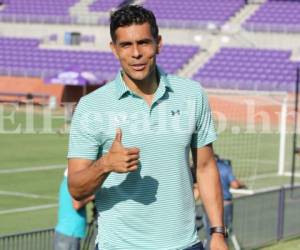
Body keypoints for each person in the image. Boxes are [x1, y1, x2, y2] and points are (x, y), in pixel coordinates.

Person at [67, 5, 228, 250]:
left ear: (158, 43)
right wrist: (106, 164)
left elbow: (205, 167)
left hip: (184, 244)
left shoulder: (192, 94)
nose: (136, 53)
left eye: (143, 42)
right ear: (114, 49)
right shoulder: (91, 106)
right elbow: (76, 189)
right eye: (126, 45)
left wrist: (217, 232)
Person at [197, 155, 246, 249]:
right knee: (225, 232)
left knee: (209, 232)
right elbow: (234, 184)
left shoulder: (204, 170)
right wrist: (242, 184)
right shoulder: (225, 168)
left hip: (208, 207)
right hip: (225, 205)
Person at [54, 169, 94, 250]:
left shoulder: (66, 183)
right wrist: (93, 196)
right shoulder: (72, 185)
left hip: (67, 232)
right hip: (70, 232)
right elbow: (77, 205)